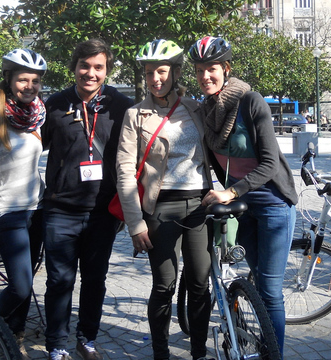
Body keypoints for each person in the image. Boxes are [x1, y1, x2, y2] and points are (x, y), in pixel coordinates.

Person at [189, 35, 297, 357]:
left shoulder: (251, 101)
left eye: (212, 69)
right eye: (199, 70)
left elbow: (268, 163)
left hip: (272, 201)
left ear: (225, 68)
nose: (205, 76)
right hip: (240, 205)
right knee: (256, 278)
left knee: (270, 290)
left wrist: (232, 191)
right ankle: (253, 332)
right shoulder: (206, 110)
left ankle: (272, 353)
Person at [115, 40, 213, 360]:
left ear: (176, 72)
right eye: (148, 73)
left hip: (199, 205)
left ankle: (199, 351)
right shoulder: (135, 115)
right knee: (164, 285)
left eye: (161, 71)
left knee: (199, 283)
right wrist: (135, 223)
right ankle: (161, 353)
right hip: (161, 209)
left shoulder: (195, 108)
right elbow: (125, 171)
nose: (155, 78)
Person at [41, 39, 133, 360]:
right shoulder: (54, 104)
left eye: (98, 67)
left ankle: (87, 338)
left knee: (95, 279)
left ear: (106, 70)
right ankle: (56, 344)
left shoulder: (120, 106)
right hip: (60, 210)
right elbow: (27, 147)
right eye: (84, 65)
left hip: (101, 212)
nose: (90, 73)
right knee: (59, 281)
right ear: (74, 67)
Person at [0, 48, 48, 351]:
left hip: (36, 210)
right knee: (19, 285)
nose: (29, 86)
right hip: (7, 213)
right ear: (9, 78)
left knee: (26, 282)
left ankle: (12, 336)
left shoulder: (35, 116)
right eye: (23, 79)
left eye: (35, 80)